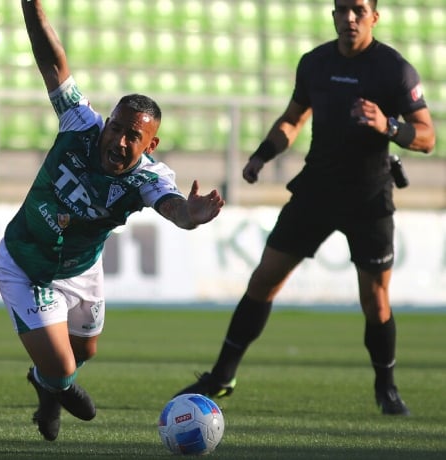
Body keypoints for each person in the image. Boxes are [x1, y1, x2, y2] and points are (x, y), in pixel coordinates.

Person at [174, 0, 436, 417]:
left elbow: (427, 137)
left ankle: (386, 388)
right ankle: (222, 377)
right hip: (316, 192)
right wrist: (262, 155)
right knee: (263, 280)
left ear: (374, 16)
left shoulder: (394, 69)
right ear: (333, 15)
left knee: (376, 301)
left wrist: (389, 126)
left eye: (358, 11)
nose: (349, 18)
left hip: (369, 198)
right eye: (342, 10)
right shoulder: (314, 63)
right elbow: (293, 120)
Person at [0, 0, 225, 442]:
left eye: (132, 136)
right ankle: (54, 385)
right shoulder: (79, 121)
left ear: (150, 143)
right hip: (28, 261)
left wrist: (190, 217)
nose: (117, 141)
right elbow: (52, 61)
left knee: (87, 349)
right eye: (115, 127)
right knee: (62, 366)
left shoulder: (148, 176)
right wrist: (32, 8)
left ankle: (45, 390)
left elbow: (172, 206)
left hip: (82, 268)